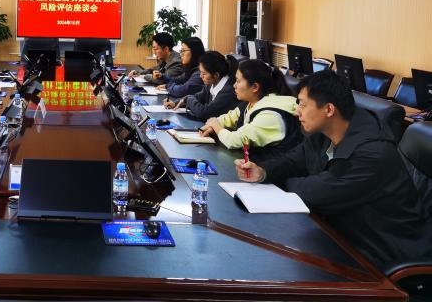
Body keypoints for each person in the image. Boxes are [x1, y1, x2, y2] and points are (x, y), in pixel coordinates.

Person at [235, 70, 432, 269]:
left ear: (329, 109)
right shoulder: (324, 132)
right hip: (341, 239)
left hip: (384, 257)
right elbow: (293, 160)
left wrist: (284, 182)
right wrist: (263, 171)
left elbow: (316, 194)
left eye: (302, 105)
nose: (296, 112)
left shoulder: (373, 154)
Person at [200, 59, 301, 163]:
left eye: (238, 81)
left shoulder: (271, 115)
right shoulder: (250, 103)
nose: (234, 85)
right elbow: (228, 118)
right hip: (251, 165)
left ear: (255, 87)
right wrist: (212, 126)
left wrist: (215, 125)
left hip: (269, 170)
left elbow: (233, 141)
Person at [164, 50, 239, 121]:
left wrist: (188, 99)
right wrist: (176, 103)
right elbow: (197, 97)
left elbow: (203, 112)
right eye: (200, 72)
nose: (200, 76)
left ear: (216, 75)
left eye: (204, 73)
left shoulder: (228, 91)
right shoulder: (211, 84)